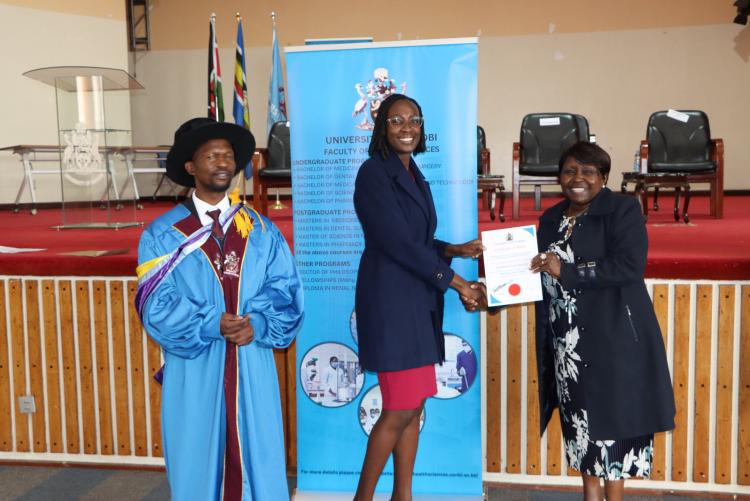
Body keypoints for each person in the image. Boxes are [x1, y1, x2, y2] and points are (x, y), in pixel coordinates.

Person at [135, 117, 304, 501]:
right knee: (198, 457)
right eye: (211, 155)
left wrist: (258, 323)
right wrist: (212, 323)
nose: (223, 162)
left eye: (228, 155)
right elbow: (155, 304)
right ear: (191, 167)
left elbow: (286, 290)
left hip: (252, 364)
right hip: (196, 364)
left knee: (256, 455)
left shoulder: (260, 229)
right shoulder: (163, 233)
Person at [352, 93, 487, 501]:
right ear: (382, 127)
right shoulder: (373, 173)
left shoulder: (414, 172)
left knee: (413, 407)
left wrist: (456, 250)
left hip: (417, 300)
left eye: (414, 120)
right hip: (392, 303)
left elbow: (419, 239)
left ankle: (403, 495)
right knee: (398, 408)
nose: (407, 127)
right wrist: (458, 282)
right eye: (396, 120)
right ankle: (363, 498)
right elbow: (396, 242)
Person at [529, 142, 675, 501]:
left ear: (603, 177)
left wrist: (567, 269)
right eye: (569, 171)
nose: (577, 179)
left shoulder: (622, 210)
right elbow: (540, 272)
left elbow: (628, 266)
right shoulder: (550, 218)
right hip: (570, 346)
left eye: (588, 172)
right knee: (582, 432)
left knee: (614, 432)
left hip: (613, 339)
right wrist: (502, 287)